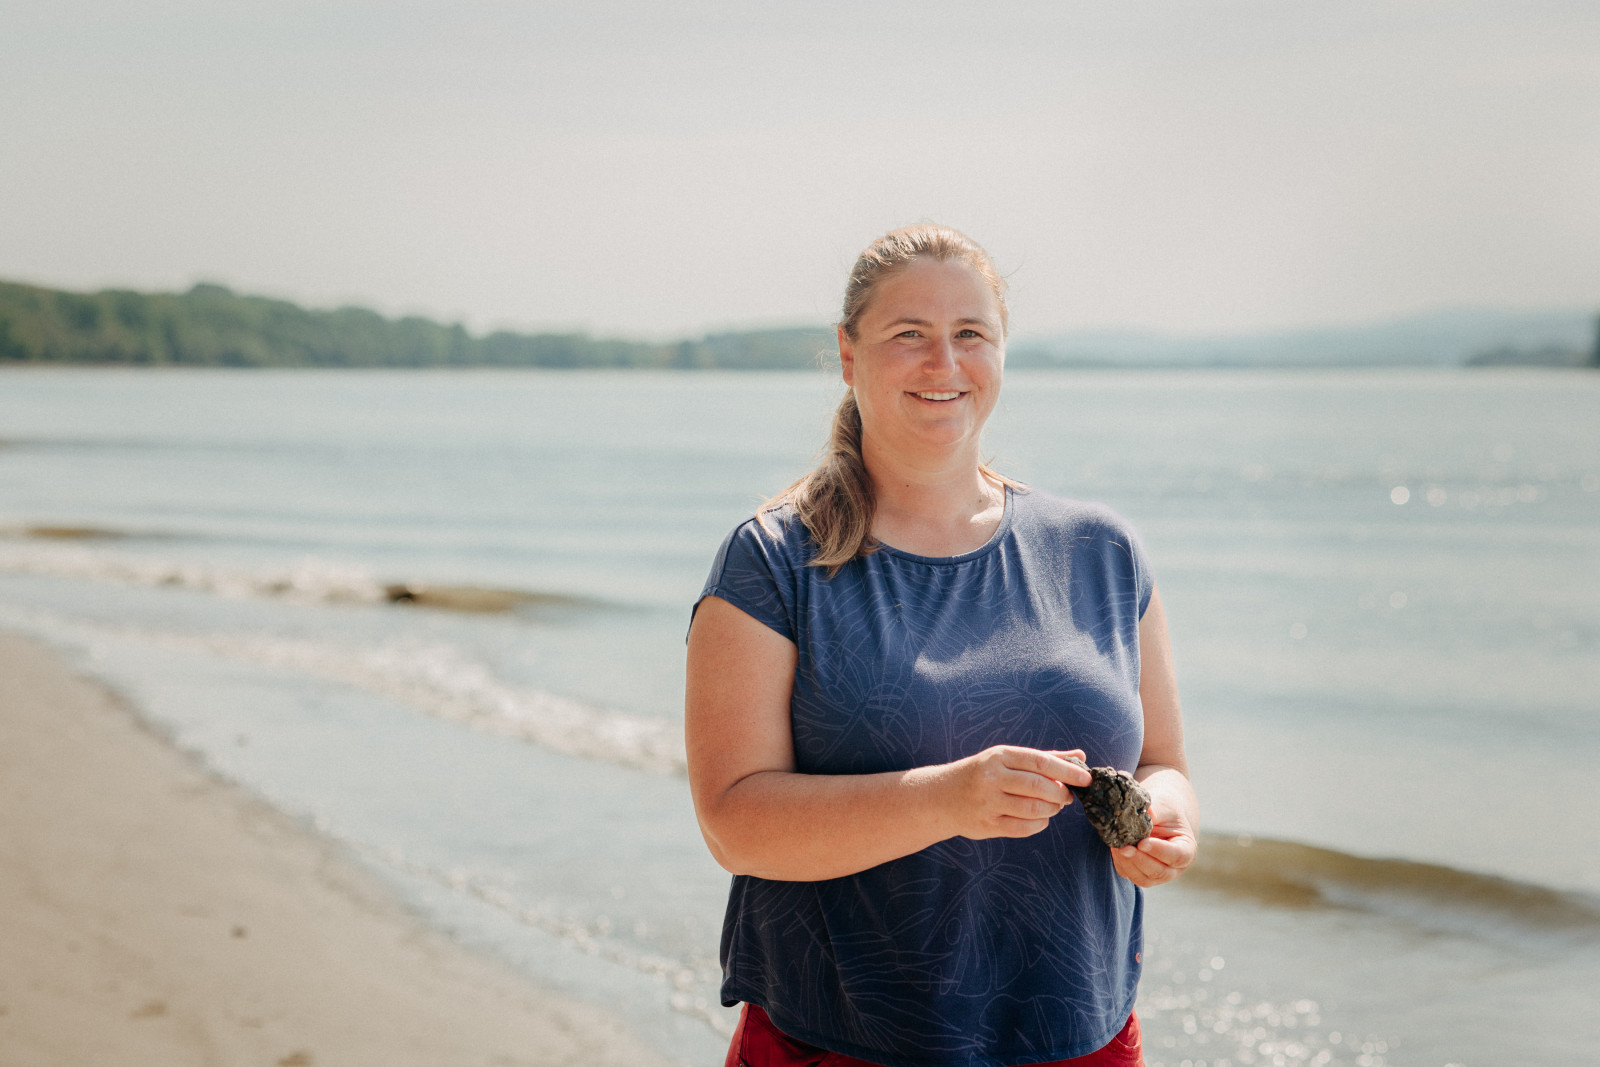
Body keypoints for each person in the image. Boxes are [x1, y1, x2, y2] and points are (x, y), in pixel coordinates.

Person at [685, 225, 1197, 1067]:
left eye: (970, 335)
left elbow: (1166, 761)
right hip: (842, 1044)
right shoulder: (774, 560)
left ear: (1001, 352)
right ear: (848, 355)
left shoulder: (1101, 551)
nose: (944, 363)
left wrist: (1170, 821)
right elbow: (735, 822)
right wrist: (945, 801)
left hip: (1081, 1040)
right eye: (908, 335)